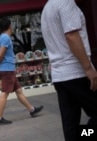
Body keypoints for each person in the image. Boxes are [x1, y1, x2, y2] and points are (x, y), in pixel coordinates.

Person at [41, 0, 97, 141]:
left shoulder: (48, 7)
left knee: (70, 123)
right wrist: (88, 68)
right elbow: (71, 36)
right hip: (76, 71)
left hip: (60, 75)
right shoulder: (66, 3)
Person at [0, 18, 43, 126]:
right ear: (10, 26)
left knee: (18, 91)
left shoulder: (0, 38)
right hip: (7, 70)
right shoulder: (5, 38)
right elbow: (0, 55)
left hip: (8, 69)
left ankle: (32, 110)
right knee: (4, 93)